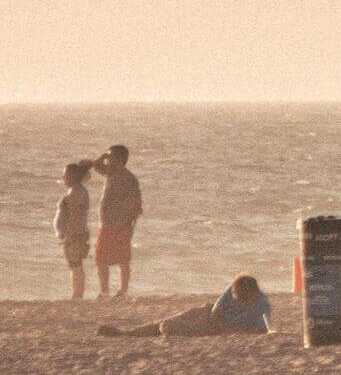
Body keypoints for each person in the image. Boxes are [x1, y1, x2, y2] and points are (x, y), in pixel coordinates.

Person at [97, 273, 273, 338]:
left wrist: (227, 327)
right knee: (169, 320)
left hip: (222, 327)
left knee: (168, 327)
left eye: (242, 298)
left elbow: (261, 330)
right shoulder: (235, 286)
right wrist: (217, 316)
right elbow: (218, 307)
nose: (238, 300)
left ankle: (167, 329)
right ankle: (127, 333)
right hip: (211, 314)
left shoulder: (261, 305)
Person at [92, 145, 143, 298]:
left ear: (119, 159)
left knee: (123, 259)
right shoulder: (110, 173)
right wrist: (104, 155)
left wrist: (130, 221)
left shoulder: (129, 179)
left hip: (122, 223)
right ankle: (104, 291)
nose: (108, 159)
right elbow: (96, 166)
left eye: (111, 156)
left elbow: (136, 202)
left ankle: (123, 291)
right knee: (100, 259)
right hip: (107, 222)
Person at [54, 161, 93, 298]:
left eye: (66, 176)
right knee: (74, 264)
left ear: (74, 176)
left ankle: (77, 294)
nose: (64, 178)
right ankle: (77, 293)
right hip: (74, 233)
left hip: (75, 234)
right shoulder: (76, 191)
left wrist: (69, 235)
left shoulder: (77, 192)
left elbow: (75, 216)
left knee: (75, 264)